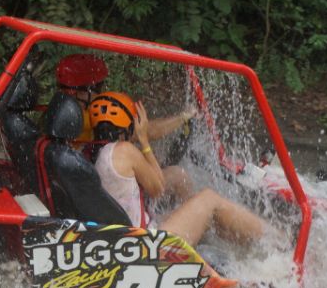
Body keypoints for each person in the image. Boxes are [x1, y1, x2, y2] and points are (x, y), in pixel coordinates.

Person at [88, 91, 267, 247]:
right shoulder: (125, 151)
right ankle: (271, 240)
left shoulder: (96, 151)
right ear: (128, 126)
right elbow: (157, 188)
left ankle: (199, 226)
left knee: (176, 174)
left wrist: (182, 117)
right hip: (146, 245)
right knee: (209, 198)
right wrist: (143, 140)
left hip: (129, 237)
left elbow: (154, 136)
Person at [54, 54, 194, 147]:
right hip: (95, 179)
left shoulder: (56, 111)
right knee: (177, 176)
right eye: (98, 86)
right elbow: (144, 132)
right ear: (81, 92)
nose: (102, 91)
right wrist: (183, 117)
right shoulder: (87, 118)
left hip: (86, 169)